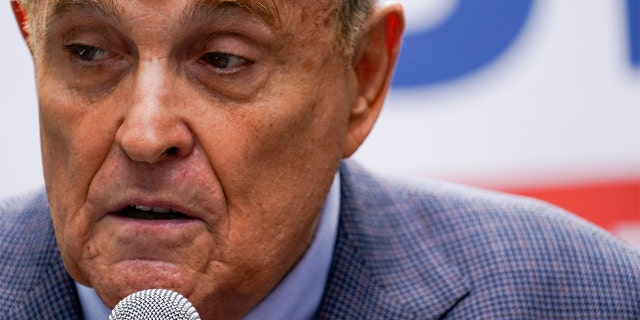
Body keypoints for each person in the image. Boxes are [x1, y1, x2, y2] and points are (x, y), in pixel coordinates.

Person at [1, 0, 639, 318]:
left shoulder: (577, 295)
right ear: (31, 38)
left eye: (223, 59)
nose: (144, 133)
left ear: (363, 78)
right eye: (87, 52)